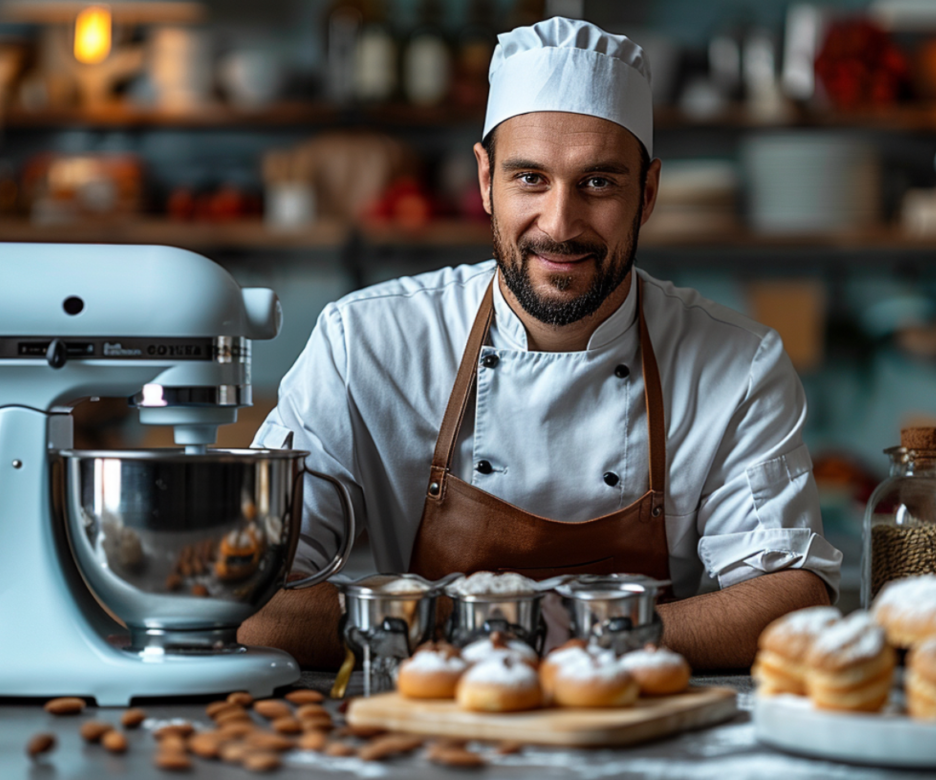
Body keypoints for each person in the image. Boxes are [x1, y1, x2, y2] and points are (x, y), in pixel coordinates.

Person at [240, 17, 841, 671]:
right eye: (530, 178)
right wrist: (480, 638)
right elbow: (248, 596)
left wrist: (570, 649)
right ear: (484, 181)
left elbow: (792, 600)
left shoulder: (737, 364)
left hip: (642, 739)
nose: (560, 225)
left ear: (648, 193)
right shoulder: (367, 343)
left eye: (599, 183)